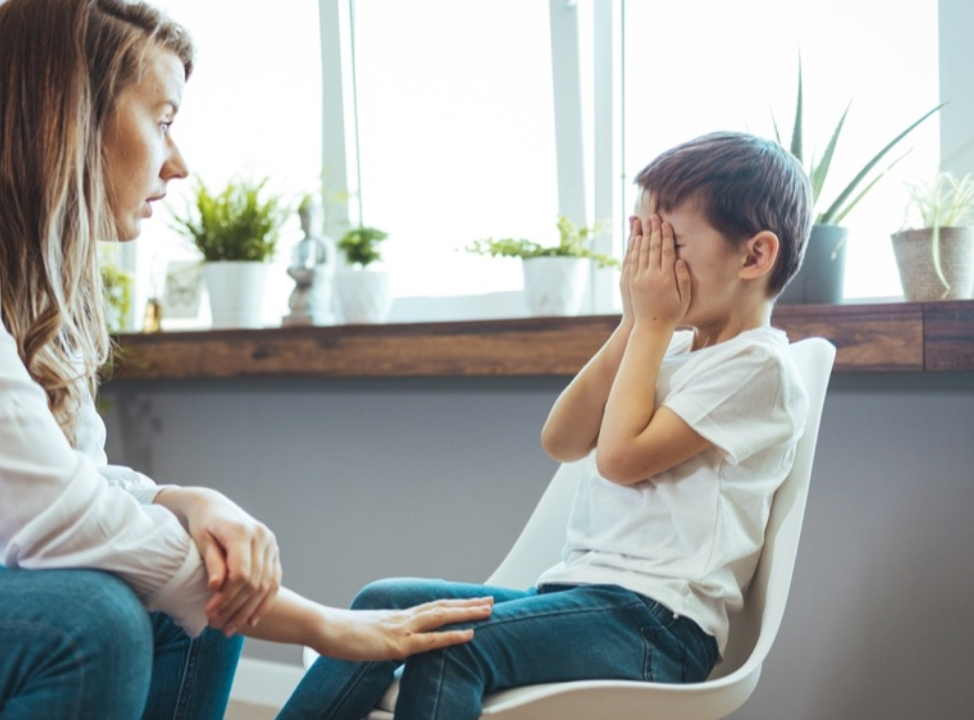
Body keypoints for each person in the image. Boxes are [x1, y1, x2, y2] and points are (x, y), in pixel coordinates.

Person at [0, 2, 492, 718]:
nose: (178, 164)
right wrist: (314, 622)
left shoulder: (12, 266)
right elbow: (50, 519)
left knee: (184, 585)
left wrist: (187, 499)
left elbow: (65, 474)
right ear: (70, 112)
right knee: (94, 622)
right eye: (164, 119)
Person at [277, 131, 814, 719]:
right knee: (381, 606)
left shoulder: (758, 365)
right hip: (578, 597)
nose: (647, 270)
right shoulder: (667, 347)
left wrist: (654, 327)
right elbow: (561, 440)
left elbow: (619, 457)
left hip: (658, 625)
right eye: (641, 245)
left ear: (755, 256)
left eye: (669, 247)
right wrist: (636, 324)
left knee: (450, 650)